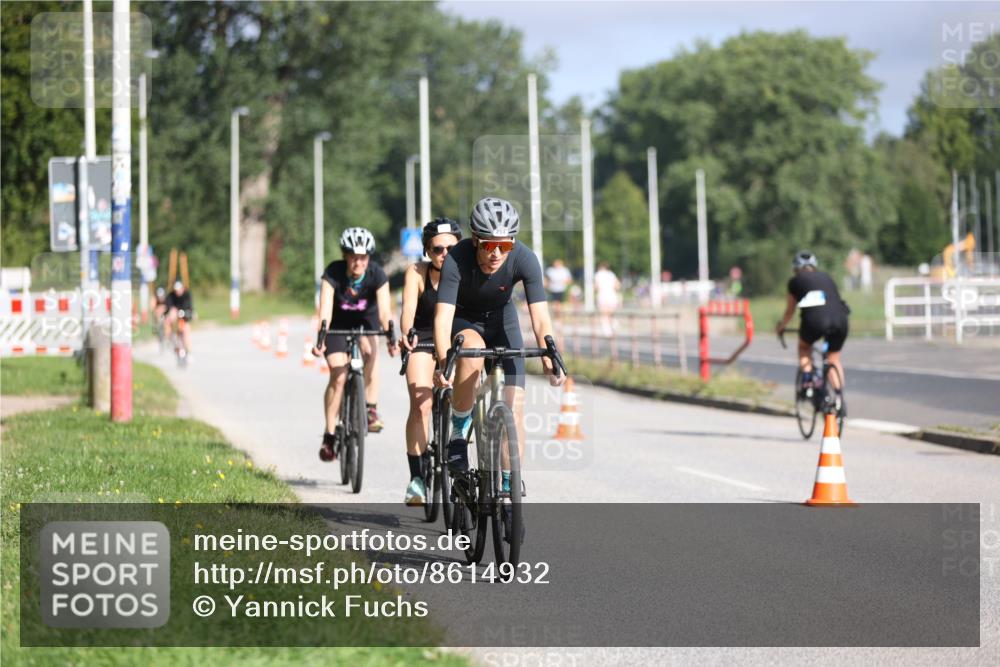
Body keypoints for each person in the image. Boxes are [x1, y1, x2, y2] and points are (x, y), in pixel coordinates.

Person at [433, 197, 564, 503]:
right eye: (489, 245)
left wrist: (550, 354)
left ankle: (508, 483)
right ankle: (459, 429)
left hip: (503, 322)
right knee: (473, 352)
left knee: (514, 408)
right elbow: (442, 318)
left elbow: (541, 316)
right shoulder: (456, 259)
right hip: (466, 320)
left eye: (504, 247)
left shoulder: (525, 258)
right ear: (476, 240)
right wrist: (443, 363)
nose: (496, 254)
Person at [313, 227, 398, 462]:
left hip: (365, 322)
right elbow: (325, 310)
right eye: (353, 256)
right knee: (338, 376)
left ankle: (370, 408)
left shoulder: (377, 275)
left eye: (362, 257)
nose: (358, 262)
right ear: (345, 256)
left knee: (371, 352)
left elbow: (384, 311)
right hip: (337, 325)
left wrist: (391, 337)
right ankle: (330, 435)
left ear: (368, 257)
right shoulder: (333, 273)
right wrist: (320, 338)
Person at [398, 218, 462, 505]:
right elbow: (408, 310)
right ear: (427, 251)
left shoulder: (465, 272)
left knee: (466, 396)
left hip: (455, 339)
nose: (445, 254)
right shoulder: (416, 273)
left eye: (452, 247)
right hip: (423, 339)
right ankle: (417, 478)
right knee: (421, 404)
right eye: (438, 249)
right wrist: (406, 332)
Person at [776, 251, 851, 395]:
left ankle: (808, 382)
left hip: (815, 322)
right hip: (841, 319)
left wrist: (781, 327)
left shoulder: (795, 281)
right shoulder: (826, 277)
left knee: (804, 348)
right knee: (833, 358)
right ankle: (839, 400)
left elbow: (789, 312)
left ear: (796, 269)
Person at [163, 280, 193, 356]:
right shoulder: (170, 296)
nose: (178, 292)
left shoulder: (187, 295)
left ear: (182, 288)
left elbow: (190, 308)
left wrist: (188, 313)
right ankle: (169, 339)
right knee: (168, 321)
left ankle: (189, 351)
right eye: (176, 290)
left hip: (184, 317)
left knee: (186, 330)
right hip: (173, 319)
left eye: (179, 290)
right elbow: (168, 308)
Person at [594, 262, 620, 336]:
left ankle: (607, 330)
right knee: (611, 312)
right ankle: (614, 323)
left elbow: (596, 286)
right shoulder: (611, 274)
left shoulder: (598, 274)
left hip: (602, 295)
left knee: (604, 314)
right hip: (612, 295)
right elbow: (617, 285)